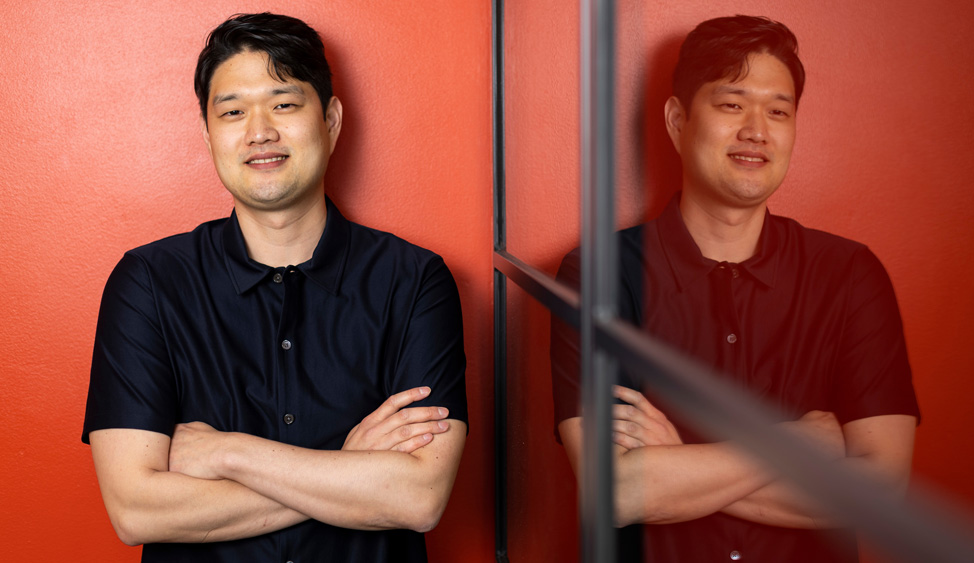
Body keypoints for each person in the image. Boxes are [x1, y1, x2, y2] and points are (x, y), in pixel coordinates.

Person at [82, 13, 467, 563]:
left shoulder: (413, 281)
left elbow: (418, 497)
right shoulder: (148, 282)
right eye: (233, 111)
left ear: (330, 119)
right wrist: (349, 468)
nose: (259, 130)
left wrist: (228, 453)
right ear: (208, 131)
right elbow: (136, 510)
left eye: (284, 104)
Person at [551, 15, 919, 562]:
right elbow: (617, 491)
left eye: (778, 110)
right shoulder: (598, 275)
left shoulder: (849, 274)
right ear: (678, 120)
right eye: (731, 104)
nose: (757, 129)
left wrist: (681, 468)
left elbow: (879, 493)